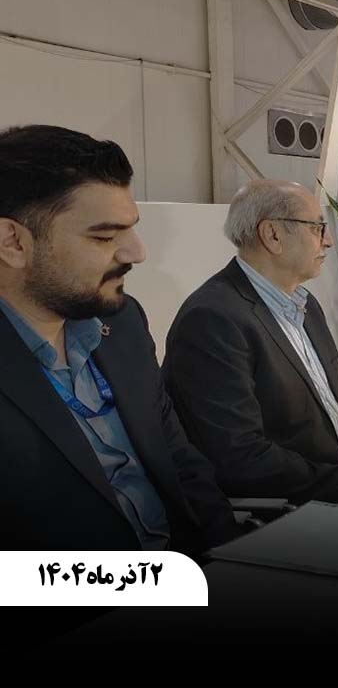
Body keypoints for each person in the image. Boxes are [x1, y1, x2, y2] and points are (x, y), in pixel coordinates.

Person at [0, 124, 239, 553]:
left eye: (131, 229)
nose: (136, 253)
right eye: (105, 236)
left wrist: (234, 558)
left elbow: (181, 463)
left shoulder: (123, 325)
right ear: (12, 242)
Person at [163, 180, 338, 504]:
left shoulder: (305, 304)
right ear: (272, 235)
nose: (328, 240)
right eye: (317, 228)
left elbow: (334, 396)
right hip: (292, 506)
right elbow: (241, 459)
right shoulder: (212, 319)